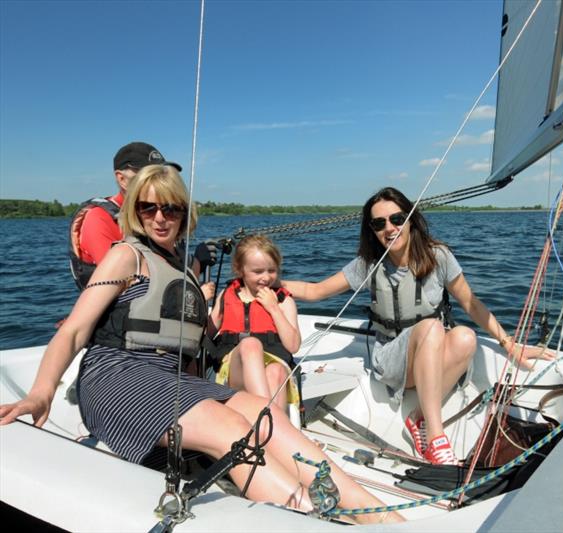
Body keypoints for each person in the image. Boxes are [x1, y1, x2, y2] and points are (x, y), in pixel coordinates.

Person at [0, 165, 401, 523]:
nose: (160, 217)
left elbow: (195, 351)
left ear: (184, 213)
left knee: (264, 413)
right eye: (147, 208)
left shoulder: (183, 272)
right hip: (117, 377)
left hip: (169, 381)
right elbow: (73, 330)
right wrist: (41, 393)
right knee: (229, 426)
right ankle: (307, 517)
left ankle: (382, 518)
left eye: (170, 208)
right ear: (133, 212)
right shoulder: (126, 256)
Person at [284, 187, 556, 465]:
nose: (390, 228)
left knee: (464, 337)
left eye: (397, 218)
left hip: (430, 352)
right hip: (391, 361)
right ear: (372, 230)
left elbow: (471, 303)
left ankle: (418, 419)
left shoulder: (438, 256)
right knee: (431, 328)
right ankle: (436, 437)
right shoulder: (368, 264)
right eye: (379, 223)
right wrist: (265, 282)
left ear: (411, 218)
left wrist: (509, 343)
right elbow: (314, 290)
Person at [68, 141, 216, 290]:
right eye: (147, 174)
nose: (156, 180)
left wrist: (194, 262)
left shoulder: (155, 219)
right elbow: (130, 287)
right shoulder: (98, 219)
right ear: (121, 179)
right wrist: (196, 266)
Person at [208, 235, 301, 415]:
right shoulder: (227, 295)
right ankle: (269, 421)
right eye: (258, 272)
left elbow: (293, 346)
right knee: (250, 344)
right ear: (240, 269)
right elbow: (206, 333)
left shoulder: (283, 301)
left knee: (276, 371)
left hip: (273, 364)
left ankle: (268, 430)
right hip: (235, 370)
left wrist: (273, 309)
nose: (266, 278)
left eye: (272, 270)